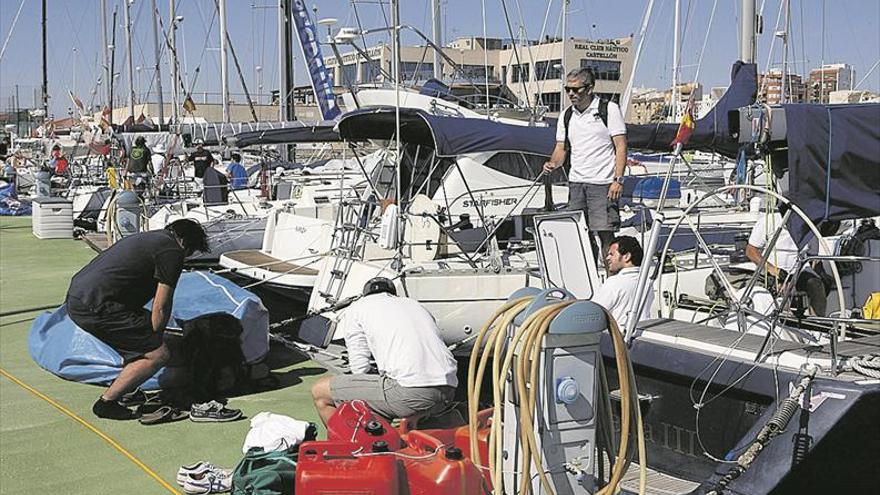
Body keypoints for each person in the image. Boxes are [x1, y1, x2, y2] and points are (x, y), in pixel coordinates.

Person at [65, 219, 210, 420]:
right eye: (190, 254)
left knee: (138, 340)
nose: (186, 258)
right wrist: (156, 340)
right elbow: (161, 306)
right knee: (157, 354)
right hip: (98, 305)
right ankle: (107, 403)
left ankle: (129, 392)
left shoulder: (151, 238)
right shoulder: (172, 251)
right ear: (185, 243)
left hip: (79, 296)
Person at [310, 277, 458, 425]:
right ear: (394, 293)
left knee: (320, 391)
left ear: (365, 294)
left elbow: (359, 368)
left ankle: (346, 445)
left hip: (409, 392)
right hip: (448, 390)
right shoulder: (415, 305)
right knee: (381, 390)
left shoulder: (357, 308)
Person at [543, 67, 628, 263]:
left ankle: (611, 281)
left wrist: (618, 180)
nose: (571, 94)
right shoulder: (566, 115)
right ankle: (588, 283)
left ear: (589, 88)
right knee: (581, 233)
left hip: (603, 183)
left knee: (606, 236)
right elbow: (560, 148)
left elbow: (621, 146)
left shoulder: (608, 109)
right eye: (568, 89)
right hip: (576, 183)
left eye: (576, 89)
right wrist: (552, 163)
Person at [745, 206, 826, 316]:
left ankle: (816, 326)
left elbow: (813, 258)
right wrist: (771, 269)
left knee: (816, 285)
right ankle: (781, 321)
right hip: (772, 269)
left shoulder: (809, 226)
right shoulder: (769, 221)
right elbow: (750, 251)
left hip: (798, 270)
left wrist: (822, 276)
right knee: (782, 288)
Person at [591, 235, 654, 330]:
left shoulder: (614, 283)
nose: (607, 258)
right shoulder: (648, 283)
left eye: (612, 254)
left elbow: (592, 313)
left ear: (626, 257)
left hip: (618, 339)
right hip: (641, 335)